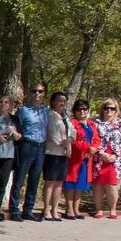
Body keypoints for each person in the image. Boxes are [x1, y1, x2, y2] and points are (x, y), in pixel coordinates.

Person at [10, 84, 49, 221]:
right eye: (34, 91)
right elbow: (17, 128)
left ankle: (28, 210)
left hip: (41, 146)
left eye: (40, 91)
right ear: (29, 93)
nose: (37, 93)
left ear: (44, 94)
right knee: (20, 178)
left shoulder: (46, 111)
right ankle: (14, 210)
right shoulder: (23, 110)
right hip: (27, 145)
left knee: (34, 179)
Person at [41, 92, 75, 221]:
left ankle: (55, 210)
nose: (61, 103)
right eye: (59, 100)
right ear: (53, 101)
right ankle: (46, 210)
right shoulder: (50, 115)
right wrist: (63, 143)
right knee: (50, 181)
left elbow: (72, 130)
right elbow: (51, 133)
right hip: (52, 152)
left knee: (59, 182)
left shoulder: (65, 117)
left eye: (64, 101)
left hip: (64, 153)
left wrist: (70, 139)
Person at [92, 99, 121, 219]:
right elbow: (93, 141)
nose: (109, 110)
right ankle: (99, 210)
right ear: (102, 109)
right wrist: (102, 153)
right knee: (98, 185)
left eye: (112, 108)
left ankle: (113, 209)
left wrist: (115, 155)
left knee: (112, 185)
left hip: (114, 159)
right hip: (99, 158)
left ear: (116, 110)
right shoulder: (96, 123)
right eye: (106, 108)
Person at [63, 100, 96, 219]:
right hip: (75, 157)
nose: (82, 111)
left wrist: (94, 149)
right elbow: (75, 141)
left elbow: (96, 139)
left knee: (81, 184)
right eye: (79, 109)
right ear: (74, 111)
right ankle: (69, 209)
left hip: (87, 158)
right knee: (71, 183)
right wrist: (88, 148)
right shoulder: (73, 124)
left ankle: (76, 209)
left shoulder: (91, 124)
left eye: (84, 109)